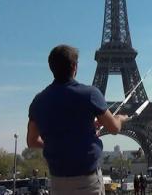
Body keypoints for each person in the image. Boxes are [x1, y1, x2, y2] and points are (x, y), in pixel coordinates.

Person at [27, 45, 129, 195]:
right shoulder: (90, 94)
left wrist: (60, 143)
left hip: (58, 182)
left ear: (51, 68)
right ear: (74, 66)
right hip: (87, 183)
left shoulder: (38, 101)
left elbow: (32, 141)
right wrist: (119, 118)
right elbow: (114, 128)